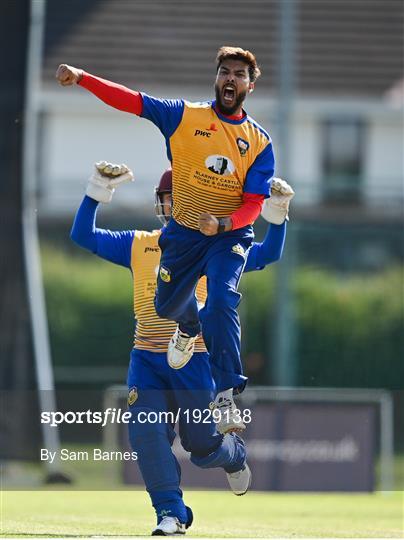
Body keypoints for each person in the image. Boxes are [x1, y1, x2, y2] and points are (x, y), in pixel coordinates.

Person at [70, 161, 292, 536]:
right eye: (171, 200)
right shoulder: (140, 244)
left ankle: (233, 454)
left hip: (197, 362)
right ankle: (170, 513)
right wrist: (96, 190)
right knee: (145, 432)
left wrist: (277, 211)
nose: (175, 207)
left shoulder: (219, 250)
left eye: (182, 199)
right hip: (147, 358)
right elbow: (84, 236)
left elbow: (268, 253)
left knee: (203, 448)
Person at [56, 46, 276, 419]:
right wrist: (82, 77)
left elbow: (254, 204)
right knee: (166, 305)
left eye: (239, 74)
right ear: (216, 77)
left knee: (221, 300)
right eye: (225, 71)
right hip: (185, 234)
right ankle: (187, 327)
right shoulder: (184, 116)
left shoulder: (259, 142)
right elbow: (132, 101)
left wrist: (223, 224)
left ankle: (225, 395)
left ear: (250, 86)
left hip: (227, 237)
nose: (230, 79)